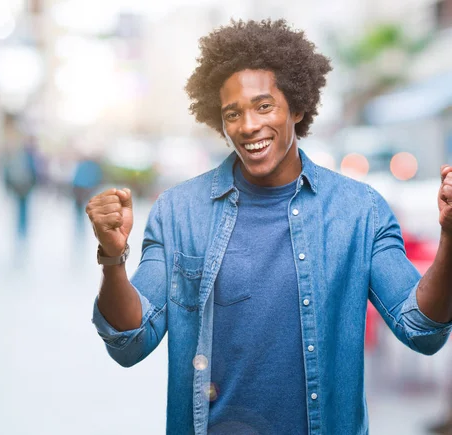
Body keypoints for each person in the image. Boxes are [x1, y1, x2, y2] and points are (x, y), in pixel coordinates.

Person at [86, 19, 452, 434]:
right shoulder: (178, 213)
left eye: (264, 106)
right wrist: (113, 258)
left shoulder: (359, 211)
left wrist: (450, 236)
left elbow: (422, 330)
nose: (248, 125)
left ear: (296, 106)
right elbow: (131, 342)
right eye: (232, 113)